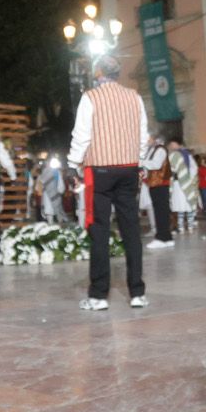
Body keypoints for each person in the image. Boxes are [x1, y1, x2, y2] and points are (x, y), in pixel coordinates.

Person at [67, 53, 151, 310]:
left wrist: (72, 164)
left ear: (98, 73)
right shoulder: (135, 97)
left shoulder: (90, 97)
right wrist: (140, 161)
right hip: (128, 168)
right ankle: (137, 292)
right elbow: (142, 134)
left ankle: (98, 295)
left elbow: (82, 135)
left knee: (99, 230)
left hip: (100, 170)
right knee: (131, 230)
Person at [140, 138, 174, 248]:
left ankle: (161, 238)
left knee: (161, 211)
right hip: (154, 183)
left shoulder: (160, 150)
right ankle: (167, 237)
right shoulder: (152, 150)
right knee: (160, 210)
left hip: (160, 184)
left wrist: (140, 162)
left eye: (147, 138)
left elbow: (156, 165)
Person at [168, 140, 198, 238]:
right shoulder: (171, 156)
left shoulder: (186, 155)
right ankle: (180, 227)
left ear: (178, 144)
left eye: (174, 144)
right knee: (179, 206)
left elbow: (194, 168)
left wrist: (188, 176)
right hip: (176, 184)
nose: (172, 146)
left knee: (188, 204)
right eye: (171, 144)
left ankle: (190, 226)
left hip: (186, 182)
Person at [39, 154, 66, 226]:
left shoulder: (57, 171)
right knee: (48, 210)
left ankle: (60, 226)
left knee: (57, 208)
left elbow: (60, 182)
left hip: (55, 192)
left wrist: (60, 190)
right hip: (46, 194)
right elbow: (41, 182)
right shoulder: (44, 171)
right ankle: (50, 225)